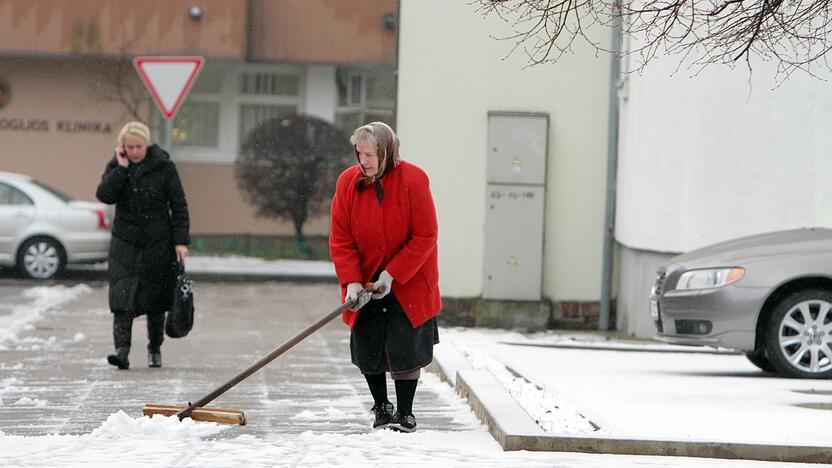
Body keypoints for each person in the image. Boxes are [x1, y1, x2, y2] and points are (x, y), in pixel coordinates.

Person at [329, 122, 441, 433]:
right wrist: (351, 280)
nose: (363, 160)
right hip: (365, 282)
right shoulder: (347, 183)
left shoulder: (414, 179)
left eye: (370, 154)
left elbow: (425, 235)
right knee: (369, 347)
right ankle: (381, 406)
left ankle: (405, 411)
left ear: (387, 152)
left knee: (404, 348)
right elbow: (341, 237)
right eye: (359, 153)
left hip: (409, 281)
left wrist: (393, 273)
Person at [96, 121, 190, 370]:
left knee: (156, 300)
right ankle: (122, 351)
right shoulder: (118, 165)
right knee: (122, 298)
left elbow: (178, 205)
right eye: (129, 147)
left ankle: (154, 348)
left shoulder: (164, 167)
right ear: (122, 147)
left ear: (146, 144)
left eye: (138, 146)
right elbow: (105, 195)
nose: (135, 151)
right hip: (125, 244)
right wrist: (121, 169)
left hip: (158, 241)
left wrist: (181, 241)